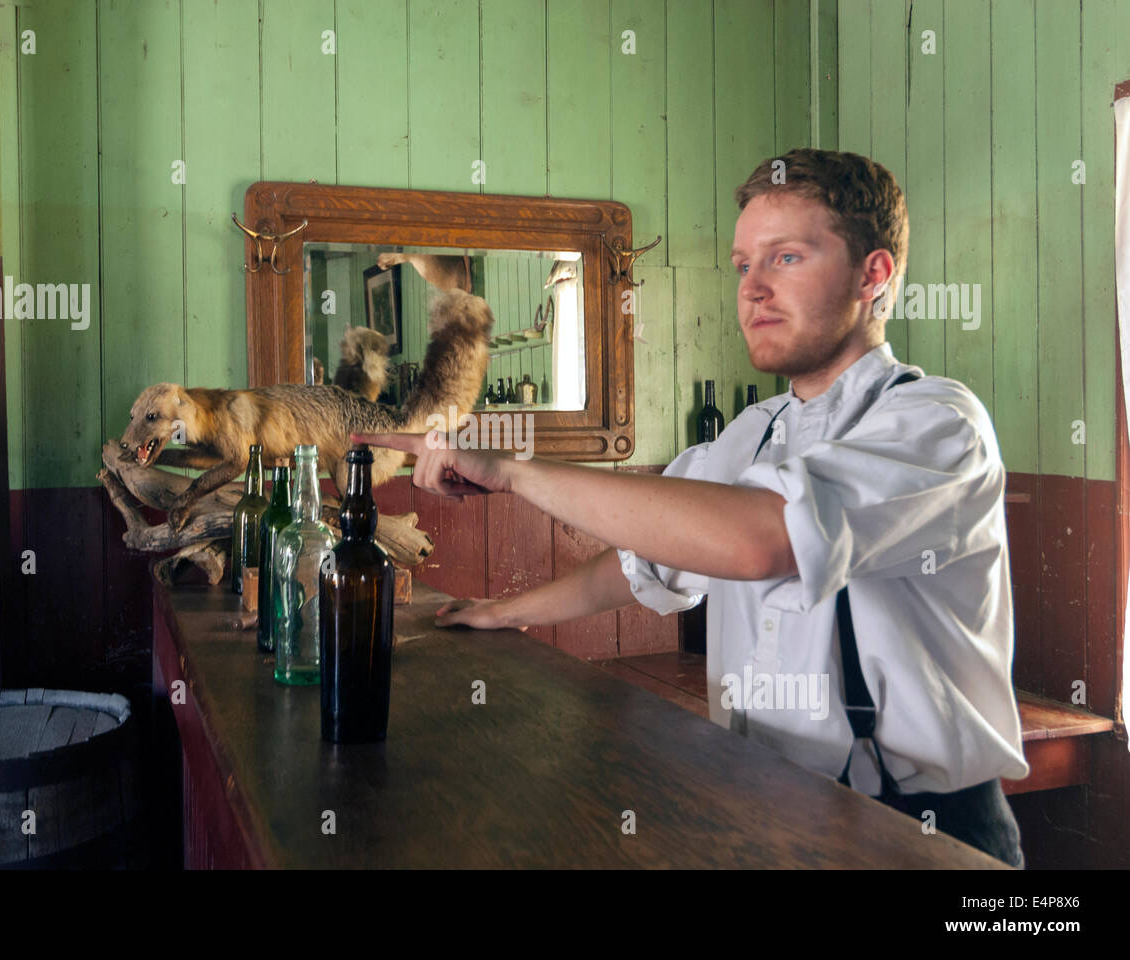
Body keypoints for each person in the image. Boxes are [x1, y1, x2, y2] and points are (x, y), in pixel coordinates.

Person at [354, 148, 1029, 868]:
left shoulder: (939, 423)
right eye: (743, 266)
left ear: (875, 273)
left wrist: (515, 472)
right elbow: (646, 560)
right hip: (764, 807)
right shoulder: (752, 432)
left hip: (918, 832)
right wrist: (508, 609)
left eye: (787, 258)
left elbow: (762, 540)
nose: (754, 289)